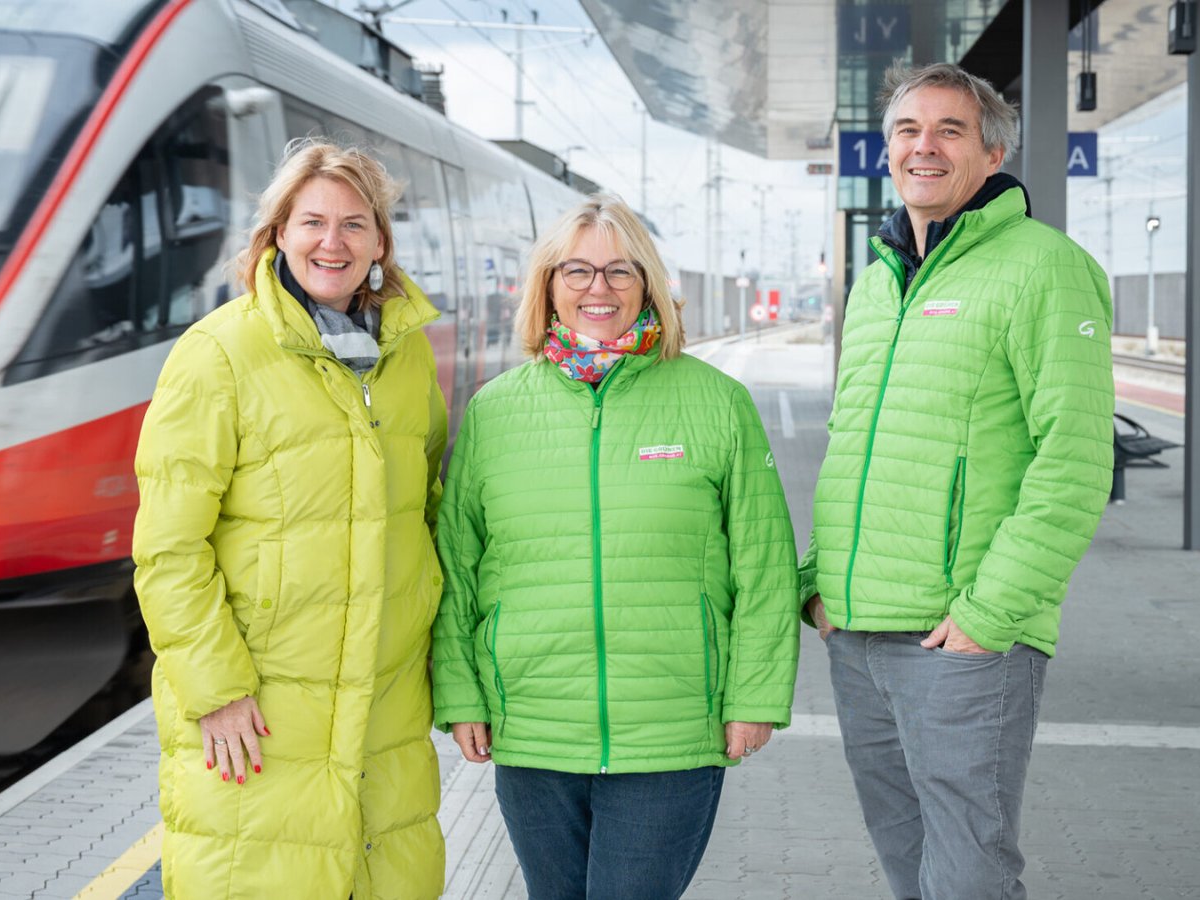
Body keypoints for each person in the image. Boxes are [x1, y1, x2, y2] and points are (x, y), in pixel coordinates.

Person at [799, 63, 1115, 900]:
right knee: (906, 858)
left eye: (949, 130)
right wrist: (821, 588)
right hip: (857, 632)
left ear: (993, 151)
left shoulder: (1043, 267)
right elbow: (854, 445)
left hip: (961, 637)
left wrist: (990, 613)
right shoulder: (878, 283)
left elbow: (1076, 458)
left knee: (969, 868)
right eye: (907, 130)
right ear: (887, 151)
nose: (923, 147)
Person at [432, 194, 799, 900]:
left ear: (648, 285)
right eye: (576, 271)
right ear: (547, 287)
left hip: (670, 729)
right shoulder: (494, 411)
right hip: (533, 727)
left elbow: (764, 565)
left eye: (619, 271)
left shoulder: (717, 402)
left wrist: (754, 694)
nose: (597, 288)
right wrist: (461, 693)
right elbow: (459, 568)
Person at [132, 139, 447, 899]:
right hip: (259, 712)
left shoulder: (406, 360)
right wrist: (215, 689)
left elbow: (426, 514)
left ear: (379, 243)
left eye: (353, 224)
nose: (331, 242)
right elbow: (170, 547)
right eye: (311, 222)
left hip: (385, 708)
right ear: (277, 233)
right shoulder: (219, 353)